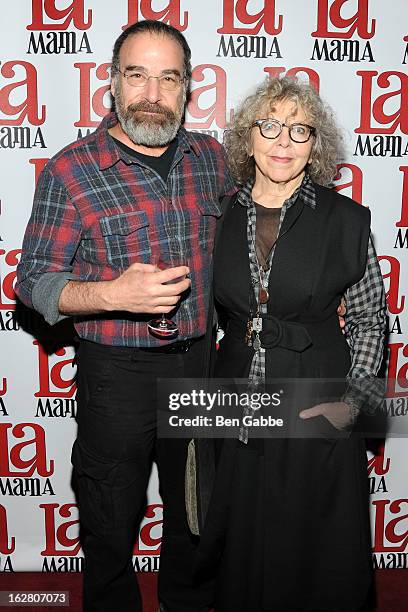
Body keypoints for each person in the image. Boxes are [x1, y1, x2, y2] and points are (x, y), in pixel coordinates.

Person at [15, 20, 234, 612]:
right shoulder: (71, 170)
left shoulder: (212, 159)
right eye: (137, 75)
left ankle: (185, 603)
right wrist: (113, 294)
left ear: (188, 88)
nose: (152, 93)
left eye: (169, 78)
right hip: (116, 372)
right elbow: (31, 282)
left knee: (197, 505)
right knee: (109, 515)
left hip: (199, 362)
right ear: (112, 83)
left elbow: (260, 236)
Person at [194, 77, 387, 612]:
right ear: (248, 137)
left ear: (315, 144)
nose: (283, 142)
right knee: (242, 545)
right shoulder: (216, 215)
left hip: (315, 397)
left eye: (300, 130)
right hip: (238, 406)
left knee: (315, 551)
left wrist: (354, 401)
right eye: (271, 125)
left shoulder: (346, 221)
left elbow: (371, 319)